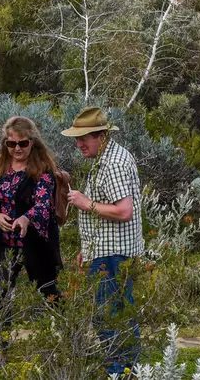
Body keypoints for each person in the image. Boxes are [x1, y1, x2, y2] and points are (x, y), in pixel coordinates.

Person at [62, 107, 144, 377]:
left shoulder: (114, 163)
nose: (78, 143)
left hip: (114, 254)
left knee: (109, 314)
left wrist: (86, 203)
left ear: (101, 135)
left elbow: (123, 211)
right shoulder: (104, 158)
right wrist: (86, 248)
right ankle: (126, 369)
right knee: (113, 312)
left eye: (84, 137)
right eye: (77, 138)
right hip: (104, 251)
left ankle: (120, 371)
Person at [0, 117, 65, 349]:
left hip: (35, 243)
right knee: (0, 295)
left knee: (48, 290)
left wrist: (26, 218)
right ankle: (2, 347)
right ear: (5, 144)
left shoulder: (42, 169)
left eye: (23, 143)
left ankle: (68, 336)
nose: (17, 148)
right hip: (5, 243)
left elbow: (44, 206)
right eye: (11, 144)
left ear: (33, 143)